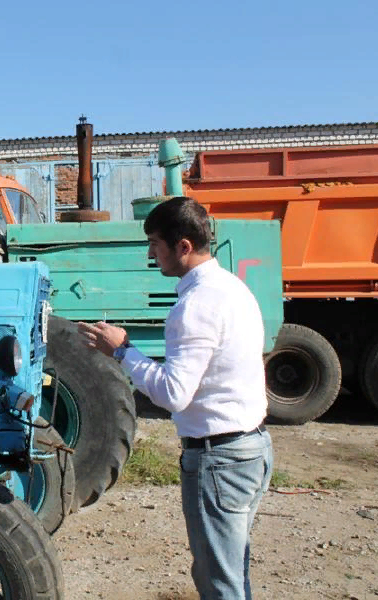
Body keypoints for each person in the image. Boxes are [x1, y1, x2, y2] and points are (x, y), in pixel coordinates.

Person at [78, 196, 273, 600]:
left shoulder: (195, 306)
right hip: (252, 448)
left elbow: (173, 394)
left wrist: (122, 351)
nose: (151, 254)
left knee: (221, 584)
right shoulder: (234, 288)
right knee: (231, 571)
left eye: (155, 243)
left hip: (218, 461)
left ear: (183, 246)